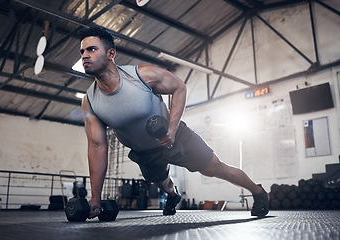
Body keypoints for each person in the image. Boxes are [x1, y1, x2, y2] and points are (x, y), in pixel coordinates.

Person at [78, 27, 269, 218]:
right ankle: (173, 195)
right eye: (82, 52)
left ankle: (258, 192)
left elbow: (179, 87)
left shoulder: (142, 75)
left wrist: (171, 129)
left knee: (215, 169)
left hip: (175, 136)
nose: (85, 56)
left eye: (92, 49)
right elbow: (97, 147)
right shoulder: (90, 101)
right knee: (161, 180)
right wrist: (95, 197)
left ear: (111, 53)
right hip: (145, 152)